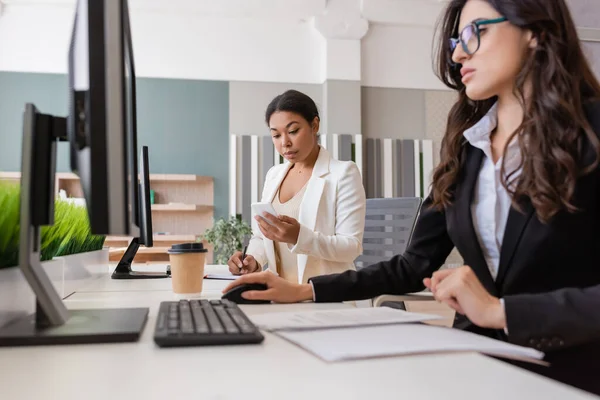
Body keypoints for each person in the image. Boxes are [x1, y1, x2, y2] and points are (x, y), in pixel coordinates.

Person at [224, 0, 600, 393]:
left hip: (572, 372)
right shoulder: (466, 147)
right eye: (456, 40)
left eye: (476, 32)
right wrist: (304, 291)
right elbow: (411, 265)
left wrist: (501, 311)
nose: (457, 53)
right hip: (480, 364)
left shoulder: (591, 133)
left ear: (535, 31)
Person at [227, 89, 366, 284]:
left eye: (293, 131)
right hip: (280, 294)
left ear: (314, 125)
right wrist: (253, 260)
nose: (285, 143)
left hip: (325, 296)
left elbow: (351, 246)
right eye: (276, 135)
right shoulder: (274, 175)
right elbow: (261, 236)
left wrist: (299, 237)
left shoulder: (343, 173)